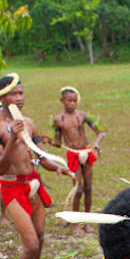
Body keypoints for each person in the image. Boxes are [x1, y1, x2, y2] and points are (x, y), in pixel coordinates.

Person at [0, 73, 70, 259]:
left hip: (33, 183)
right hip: (11, 187)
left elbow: (39, 154)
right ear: (1, 96)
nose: (19, 98)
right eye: (13, 94)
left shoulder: (29, 123)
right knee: (31, 244)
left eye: (21, 93)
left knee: (40, 238)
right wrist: (12, 138)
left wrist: (58, 168)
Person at [52, 87, 105, 216]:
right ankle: (76, 221)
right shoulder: (58, 120)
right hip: (73, 154)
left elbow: (100, 131)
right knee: (78, 189)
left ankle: (86, 219)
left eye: (75, 100)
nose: (72, 103)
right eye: (69, 101)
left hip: (86, 153)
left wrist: (96, 143)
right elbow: (58, 143)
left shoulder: (82, 116)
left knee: (88, 188)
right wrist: (49, 141)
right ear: (62, 101)